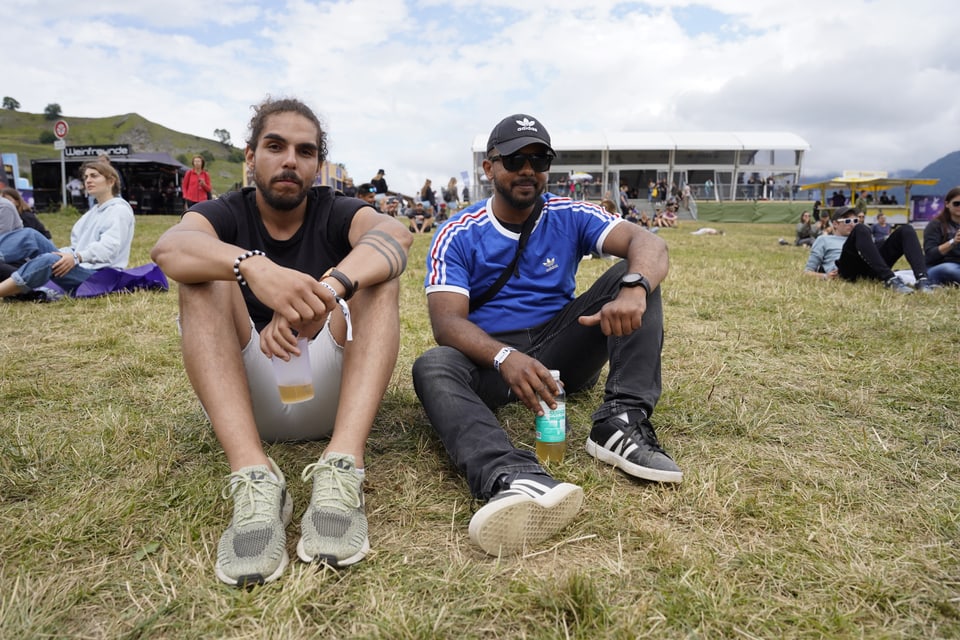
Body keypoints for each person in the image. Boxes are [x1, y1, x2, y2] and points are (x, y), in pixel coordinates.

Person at [150, 97, 412, 587]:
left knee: (378, 275)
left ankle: (342, 468)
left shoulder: (336, 210)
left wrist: (324, 295)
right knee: (201, 276)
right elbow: (170, 249)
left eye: (305, 151)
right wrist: (253, 266)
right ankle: (254, 478)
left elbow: (395, 236)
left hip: (334, 396)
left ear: (318, 165)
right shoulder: (225, 212)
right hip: (247, 397)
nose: (290, 159)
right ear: (251, 157)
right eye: (275, 146)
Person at [411, 113, 680, 558]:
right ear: (489, 167)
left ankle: (621, 422)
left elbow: (649, 244)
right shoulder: (457, 233)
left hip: (562, 349)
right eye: (515, 159)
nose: (528, 170)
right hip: (493, 360)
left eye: (540, 159)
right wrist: (503, 357)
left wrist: (634, 287)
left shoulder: (569, 214)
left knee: (630, 276)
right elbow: (448, 324)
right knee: (433, 365)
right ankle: (514, 475)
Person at [0, 159, 135, 300]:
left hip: (100, 277)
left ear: (111, 181)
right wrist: (63, 254)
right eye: (86, 177)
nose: (88, 180)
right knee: (30, 236)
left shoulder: (119, 210)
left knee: (50, 260)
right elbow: (75, 247)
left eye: (94, 176)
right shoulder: (91, 213)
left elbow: (109, 249)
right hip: (81, 267)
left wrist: (76, 257)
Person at [803, 206, 933, 293]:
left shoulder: (862, 234)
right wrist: (825, 276)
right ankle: (890, 279)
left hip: (871, 267)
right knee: (861, 228)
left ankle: (922, 280)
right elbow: (807, 272)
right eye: (848, 220)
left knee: (906, 230)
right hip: (847, 269)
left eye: (855, 220)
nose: (853, 223)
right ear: (835, 224)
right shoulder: (824, 240)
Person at [922, 186, 960, 286]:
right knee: (948, 269)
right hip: (939, 266)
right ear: (947, 204)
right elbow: (930, 255)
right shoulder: (936, 225)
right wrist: (953, 241)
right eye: (956, 204)